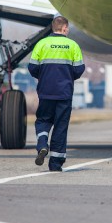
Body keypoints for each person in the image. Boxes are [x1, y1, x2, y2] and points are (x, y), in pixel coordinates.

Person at [28, 16, 85, 171]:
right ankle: (55, 164)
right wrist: (67, 76)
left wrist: (44, 76)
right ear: (65, 28)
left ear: (53, 28)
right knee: (60, 126)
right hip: (64, 93)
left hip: (46, 92)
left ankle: (42, 145)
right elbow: (79, 69)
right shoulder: (73, 45)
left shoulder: (41, 44)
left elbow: (32, 67)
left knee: (43, 121)